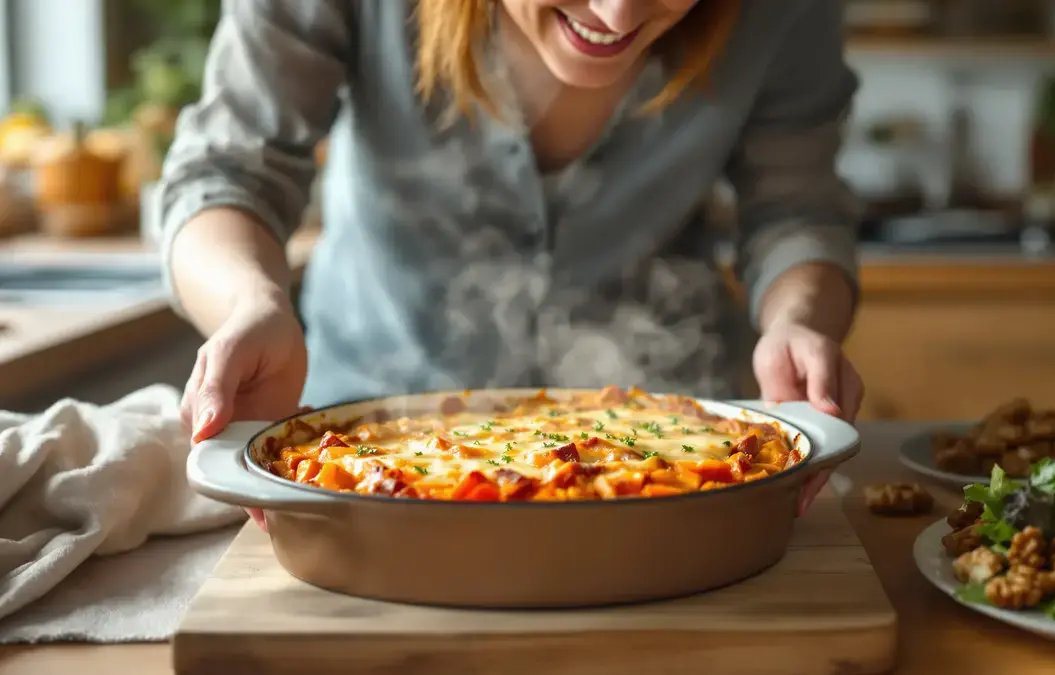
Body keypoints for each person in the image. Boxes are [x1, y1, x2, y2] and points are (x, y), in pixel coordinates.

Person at [159, 0, 865, 519]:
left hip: (687, 460)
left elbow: (797, 213)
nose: (615, 15)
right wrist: (254, 303)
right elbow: (226, 170)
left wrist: (797, 319)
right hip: (365, 443)